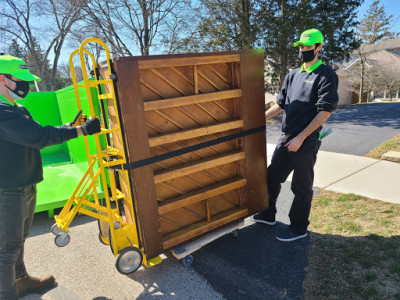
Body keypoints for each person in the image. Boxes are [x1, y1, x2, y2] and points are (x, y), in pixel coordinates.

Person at [0, 54, 101, 299]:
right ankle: (7, 294)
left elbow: (34, 133)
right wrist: (80, 131)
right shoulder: (2, 112)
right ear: (2, 79)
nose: (25, 86)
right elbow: (40, 137)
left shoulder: (17, 109)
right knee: (6, 248)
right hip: (7, 190)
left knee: (19, 239)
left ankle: (21, 280)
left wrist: (68, 126)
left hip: (24, 184)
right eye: (20, 80)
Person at [251, 29, 339, 242]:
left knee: (301, 185)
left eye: (308, 47)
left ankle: (298, 228)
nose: (303, 50)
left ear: (319, 47)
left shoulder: (326, 75)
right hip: (286, 137)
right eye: (301, 46)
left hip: (305, 140)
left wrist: (301, 138)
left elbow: (324, 111)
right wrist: (257, 120)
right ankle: (268, 214)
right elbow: (280, 104)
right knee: (271, 177)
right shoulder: (292, 74)